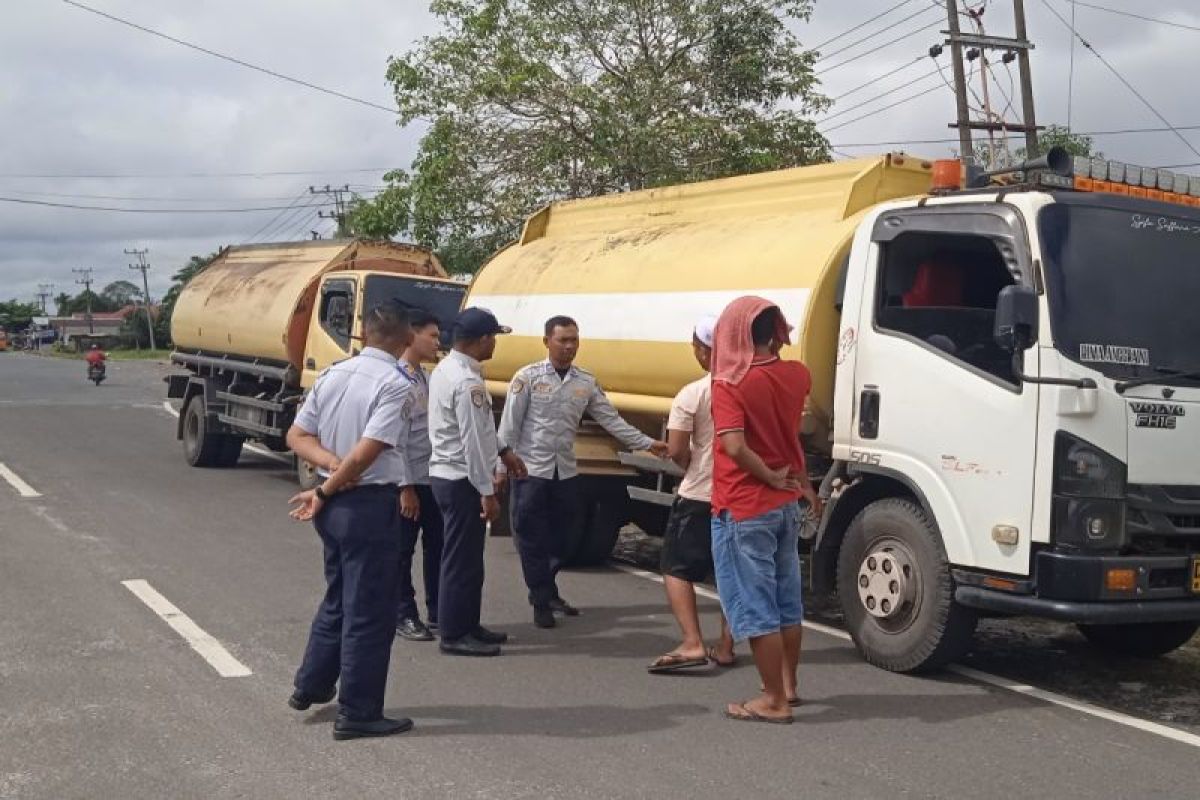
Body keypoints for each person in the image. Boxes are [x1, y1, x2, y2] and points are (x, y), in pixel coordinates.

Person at [285, 300, 417, 741]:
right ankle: (358, 711)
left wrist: (328, 472)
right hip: (365, 504)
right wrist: (331, 484)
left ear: (362, 336)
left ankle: (312, 683)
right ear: (407, 340)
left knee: (340, 596)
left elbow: (297, 436)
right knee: (371, 612)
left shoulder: (334, 374)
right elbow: (367, 453)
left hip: (336, 503)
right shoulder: (396, 384)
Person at [497, 316, 668, 629]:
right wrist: (500, 468)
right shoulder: (528, 377)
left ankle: (547, 587)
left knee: (564, 537)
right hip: (529, 470)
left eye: (574, 340)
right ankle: (540, 598)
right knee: (530, 536)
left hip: (564, 471)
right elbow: (509, 425)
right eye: (563, 340)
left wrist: (647, 443)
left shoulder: (585, 381)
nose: (569, 347)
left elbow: (610, 419)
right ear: (547, 341)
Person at [709, 297, 820, 725]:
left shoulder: (729, 383)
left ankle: (772, 700)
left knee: (756, 607)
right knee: (787, 602)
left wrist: (767, 476)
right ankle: (789, 686)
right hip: (785, 505)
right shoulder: (797, 375)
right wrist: (797, 484)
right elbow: (789, 437)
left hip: (745, 503)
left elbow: (735, 446)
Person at [429, 307, 527, 657]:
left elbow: (482, 430)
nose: (495, 344)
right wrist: (486, 491)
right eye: (494, 337)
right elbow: (471, 441)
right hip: (461, 478)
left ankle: (467, 624)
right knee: (460, 560)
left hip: (452, 475)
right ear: (483, 339)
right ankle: (454, 633)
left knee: (469, 558)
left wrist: (503, 451)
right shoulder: (466, 380)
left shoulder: (451, 369)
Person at [648, 315, 735, 674]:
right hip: (738, 495)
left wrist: (691, 465)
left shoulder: (693, 393)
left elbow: (678, 448)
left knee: (676, 568)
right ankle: (727, 646)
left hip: (700, 492)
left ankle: (692, 642)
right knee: (729, 572)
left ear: (702, 349)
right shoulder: (744, 387)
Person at [394, 310, 445, 643]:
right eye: (432, 336)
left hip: (433, 477)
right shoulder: (397, 381)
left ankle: (439, 611)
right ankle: (403, 614)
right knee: (401, 551)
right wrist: (405, 487)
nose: (438, 342)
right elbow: (394, 440)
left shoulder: (426, 377)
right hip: (408, 480)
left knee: (438, 548)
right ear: (411, 336)